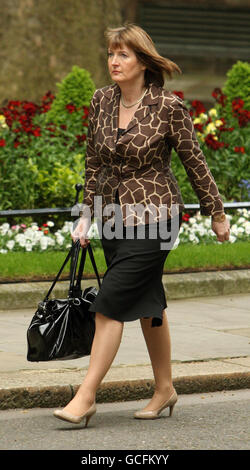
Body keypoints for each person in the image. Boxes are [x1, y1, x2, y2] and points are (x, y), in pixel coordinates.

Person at [53, 23, 230, 426]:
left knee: (109, 305)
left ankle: (85, 396)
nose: (114, 61)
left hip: (157, 217)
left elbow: (194, 163)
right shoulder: (101, 101)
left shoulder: (168, 107)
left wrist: (216, 213)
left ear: (143, 62)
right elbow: (93, 163)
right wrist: (85, 216)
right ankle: (165, 388)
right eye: (111, 54)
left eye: (123, 55)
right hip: (113, 219)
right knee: (150, 303)